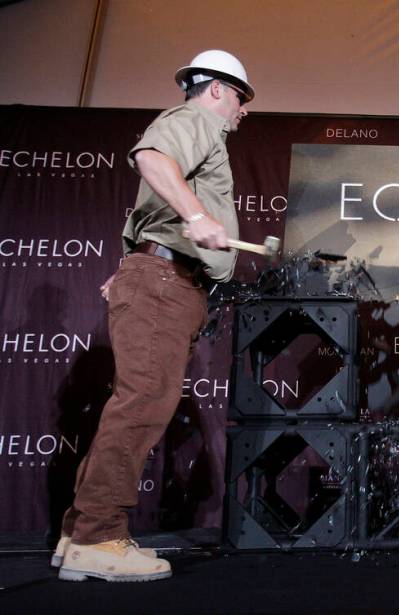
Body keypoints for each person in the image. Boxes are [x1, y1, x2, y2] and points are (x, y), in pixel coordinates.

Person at [54, 50, 254, 582]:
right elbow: (151, 160)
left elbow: (151, 212)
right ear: (215, 90)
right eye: (240, 97)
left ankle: (79, 534)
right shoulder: (195, 120)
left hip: (162, 280)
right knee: (142, 402)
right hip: (166, 283)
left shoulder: (201, 131)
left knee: (134, 402)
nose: (243, 110)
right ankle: (98, 537)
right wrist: (197, 216)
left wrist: (136, 265)